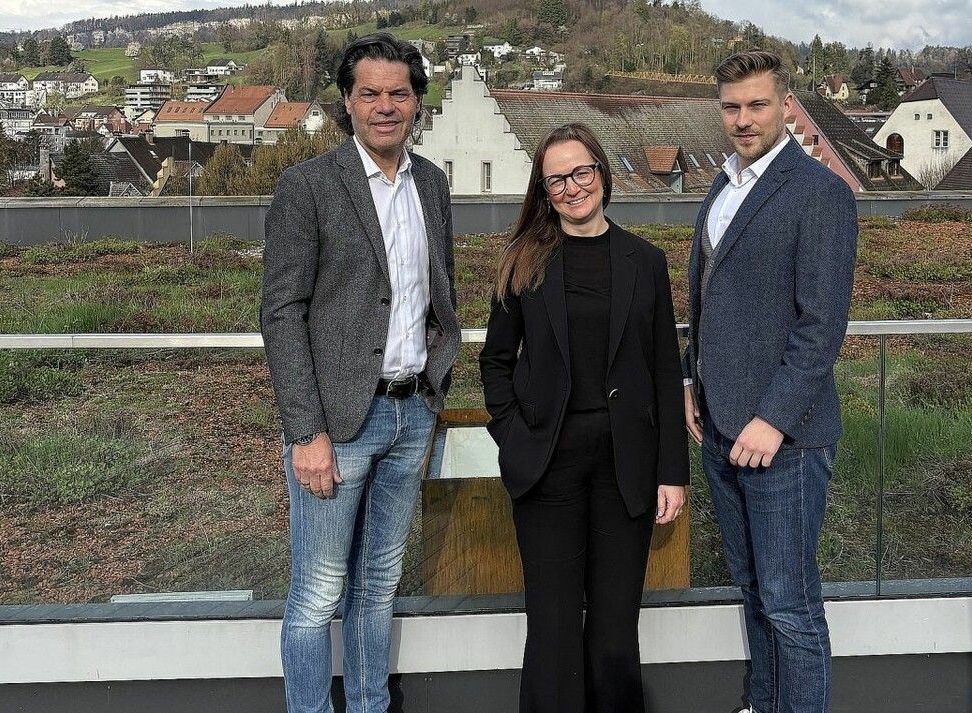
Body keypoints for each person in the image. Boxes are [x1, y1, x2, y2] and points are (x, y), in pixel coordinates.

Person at [260, 33, 459, 713]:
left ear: (416, 102)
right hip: (336, 428)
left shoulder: (431, 183)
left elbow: (440, 296)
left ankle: (371, 706)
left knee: (378, 587)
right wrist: (305, 431)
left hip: (409, 418)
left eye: (398, 93)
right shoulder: (308, 186)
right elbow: (281, 314)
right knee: (316, 596)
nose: (384, 105)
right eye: (369, 93)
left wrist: (432, 395)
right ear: (346, 102)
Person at [479, 123, 689, 713]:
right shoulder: (523, 261)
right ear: (543, 192)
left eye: (581, 173)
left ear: (601, 173)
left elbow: (664, 371)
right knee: (552, 631)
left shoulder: (645, 262)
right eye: (557, 180)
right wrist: (513, 435)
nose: (572, 188)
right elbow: (496, 363)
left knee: (616, 631)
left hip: (626, 468)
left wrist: (673, 471)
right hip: (546, 467)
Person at [681, 50, 858, 713]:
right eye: (732, 106)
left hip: (785, 440)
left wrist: (774, 418)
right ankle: (762, 701)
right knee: (753, 590)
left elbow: (821, 326)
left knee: (790, 602)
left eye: (757, 104)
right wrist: (690, 382)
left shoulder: (821, 193)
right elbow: (705, 298)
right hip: (722, 428)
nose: (743, 119)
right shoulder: (723, 185)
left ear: (787, 105)